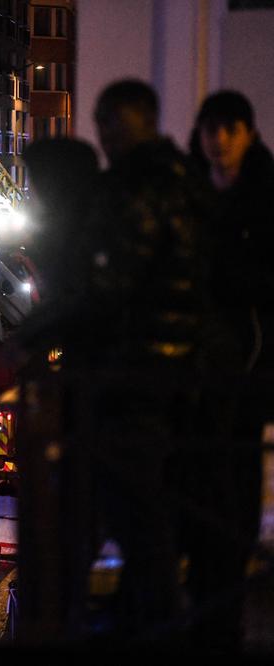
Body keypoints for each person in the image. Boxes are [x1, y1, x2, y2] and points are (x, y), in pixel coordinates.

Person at [85, 80, 227, 643]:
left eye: (105, 123)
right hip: (181, 371)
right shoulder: (186, 181)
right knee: (154, 507)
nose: (101, 136)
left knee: (134, 507)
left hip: (138, 373)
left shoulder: (135, 189)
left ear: (126, 123)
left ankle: (151, 620)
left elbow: (117, 285)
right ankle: (152, 613)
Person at [186, 90, 274, 649]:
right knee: (198, 481)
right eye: (210, 128)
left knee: (236, 477)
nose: (218, 140)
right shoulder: (190, 193)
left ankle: (224, 605)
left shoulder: (266, 194)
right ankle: (207, 600)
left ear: (248, 133)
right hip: (197, 368)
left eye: (229, 128)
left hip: (248, 362)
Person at [16, 138, 102, 642]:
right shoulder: (81, 230)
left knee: (82, 519)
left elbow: (73, 303)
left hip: (96, 399)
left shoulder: (76, 237)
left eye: (38, 185)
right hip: (91, 396)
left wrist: (25, 342)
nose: (33, 196)